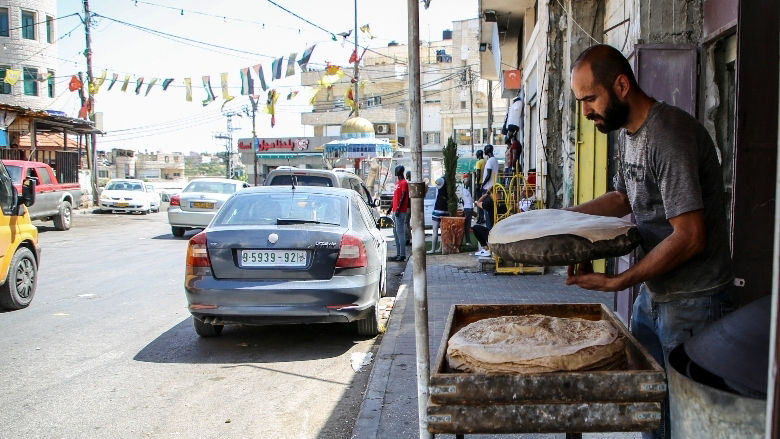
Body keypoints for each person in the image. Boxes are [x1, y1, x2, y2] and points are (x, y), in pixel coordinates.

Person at [566, 44, 733, 439]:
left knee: (689, 425)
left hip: (695, 302)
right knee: (650, 412)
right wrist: (561, 217)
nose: (586, 111)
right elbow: (622, 198)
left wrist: (620, 281)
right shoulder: (628, 133)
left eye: (590, 98)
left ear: (621, 85)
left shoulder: (668, 134)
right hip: (654, 297)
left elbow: (690, 237)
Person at [475, 144, 498, 230]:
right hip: (493, 186)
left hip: (488, 188)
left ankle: (489, 229)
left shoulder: (489, 161)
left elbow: (488, 175)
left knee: (486, 210)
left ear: (487, 151)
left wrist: (482, 184)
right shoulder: (495, 160)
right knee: (492, 211)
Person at [389, 165, 409, 262]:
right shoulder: (398, 183)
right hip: (395, 210)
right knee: (395, 232)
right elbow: (395, 197)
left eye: (397, 170)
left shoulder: (404, 183)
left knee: (400, 232)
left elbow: (403, 196)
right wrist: (390, 208)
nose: (395, 171)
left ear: (400, 171)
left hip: (400, 211)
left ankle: (402, 254)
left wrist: (398, 209)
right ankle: (398, 253)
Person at [428, 177, 447, 254]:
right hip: (446, 211)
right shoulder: (448, 190)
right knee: (443, 232)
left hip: (437, 211)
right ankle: (440, 248)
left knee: (435, 231)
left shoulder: (438, 191)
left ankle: (433, 249)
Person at [460, 173, 474, 246]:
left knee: (467, 225)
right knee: (467, 226)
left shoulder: (466, 188)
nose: (468, 181)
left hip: (468, 208)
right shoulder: (463, 188)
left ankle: (467, 241)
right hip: (467, 208)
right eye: (467, 179)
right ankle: (467, 241)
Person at [474, 150, 486, 224]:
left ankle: (480, 218)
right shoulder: (485, 161)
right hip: (484, 183)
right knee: (483, 201)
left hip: (479, 183)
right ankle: (482, 217)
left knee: (478, 201)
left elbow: (478, 173)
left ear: (478, 155)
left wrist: (477, 184)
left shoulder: (478, 162)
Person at [405, 170, 412, 245]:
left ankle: (407, 238)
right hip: (412, 206)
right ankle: (409, 238)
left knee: (405, 223)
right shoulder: (412, 184)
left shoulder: (407, 184)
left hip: (408, 206)